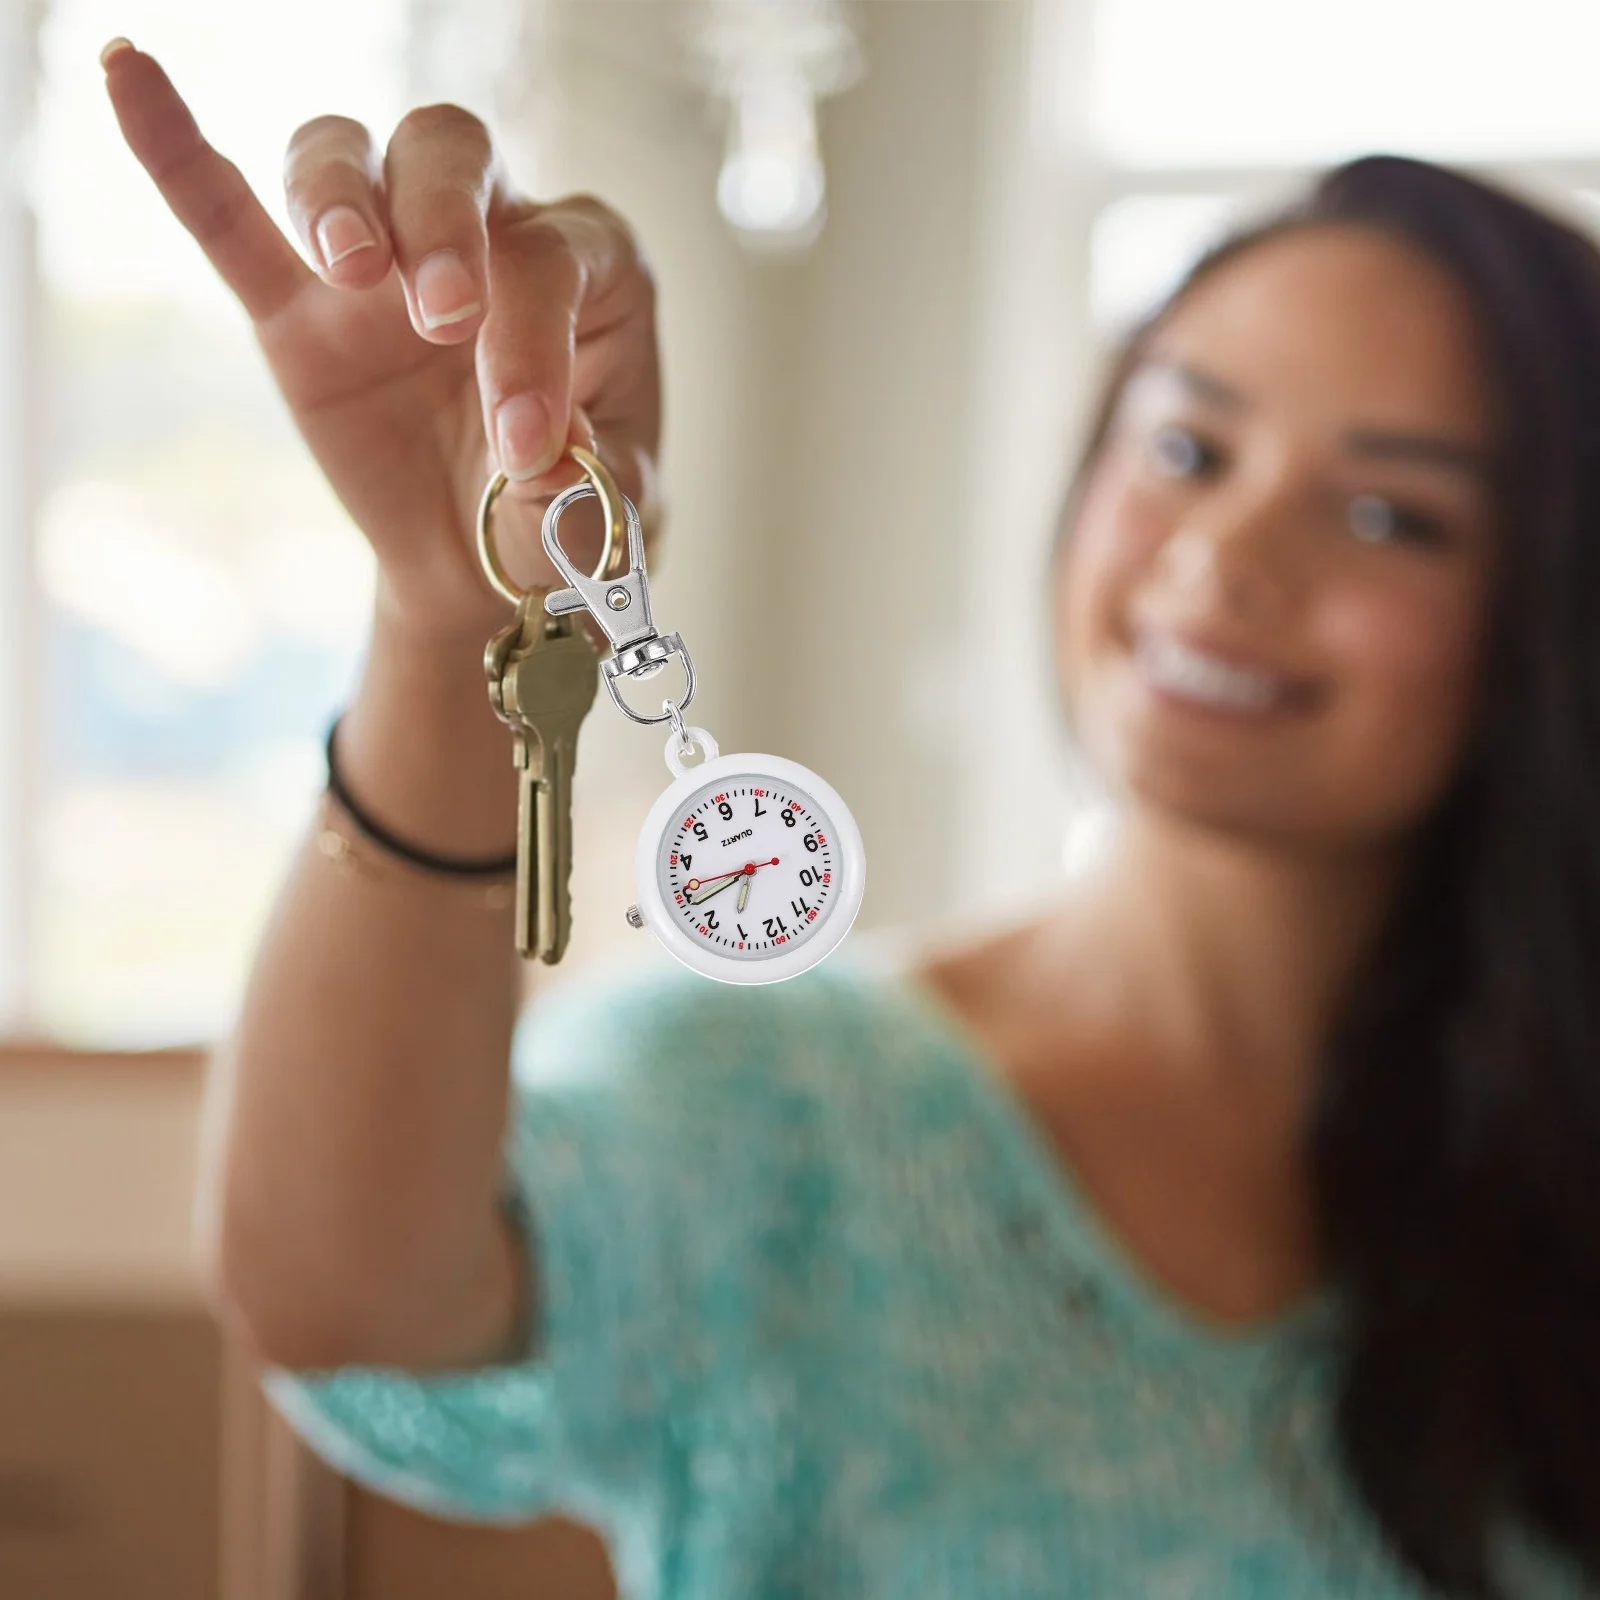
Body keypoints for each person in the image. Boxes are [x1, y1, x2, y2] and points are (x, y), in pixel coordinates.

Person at [101, 33, 1600, 1600]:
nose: (1225, 560)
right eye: (1188, 447)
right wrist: (445, 618)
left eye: (1388, 514)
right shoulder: (777, 1099)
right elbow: (346, 1296)